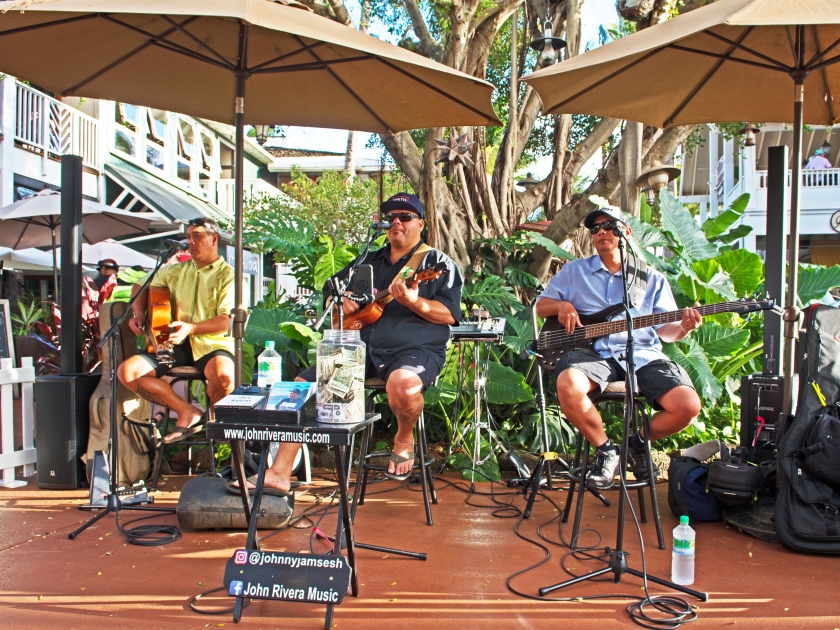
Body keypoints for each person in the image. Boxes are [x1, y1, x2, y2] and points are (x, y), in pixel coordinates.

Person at [232, 193, 463, 496]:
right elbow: (333, 288)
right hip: (360, 348)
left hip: (414, 350)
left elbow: (449, 314)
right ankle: (279, 473)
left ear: (420, 223)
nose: (396, 221)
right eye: (391, 217)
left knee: (403, 385)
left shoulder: (436, 263)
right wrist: (339, 302)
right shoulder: (369, 259)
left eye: (405, 217)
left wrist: (414, 301)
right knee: (301, 385)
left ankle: (404, 438)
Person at [535, 207, 703, 490]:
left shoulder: (651, 278)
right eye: (595, 229)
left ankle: (636, 442)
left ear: (626, 231)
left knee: (687, 406)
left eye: (609, 225)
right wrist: (562, 304)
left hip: (643, 355)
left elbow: (667, 331)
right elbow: (541, 306)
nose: (601, 232)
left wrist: (685, 326)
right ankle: (606, 451)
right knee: (568, 384)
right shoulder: (575, 271)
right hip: (594, 354)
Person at [117, 218, 236, 443]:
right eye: (188, 237)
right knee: (127, 372)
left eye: (197, 236)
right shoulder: (176, 271)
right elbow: (140, 285)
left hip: (212, 344)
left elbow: (226, 321)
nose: (190, 242)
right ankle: (186, 411)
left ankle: (217, 426)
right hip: (172, 343)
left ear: (214, 238)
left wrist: (190, 328)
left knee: (223, 374)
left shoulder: (228, 275)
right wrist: (139, 314)